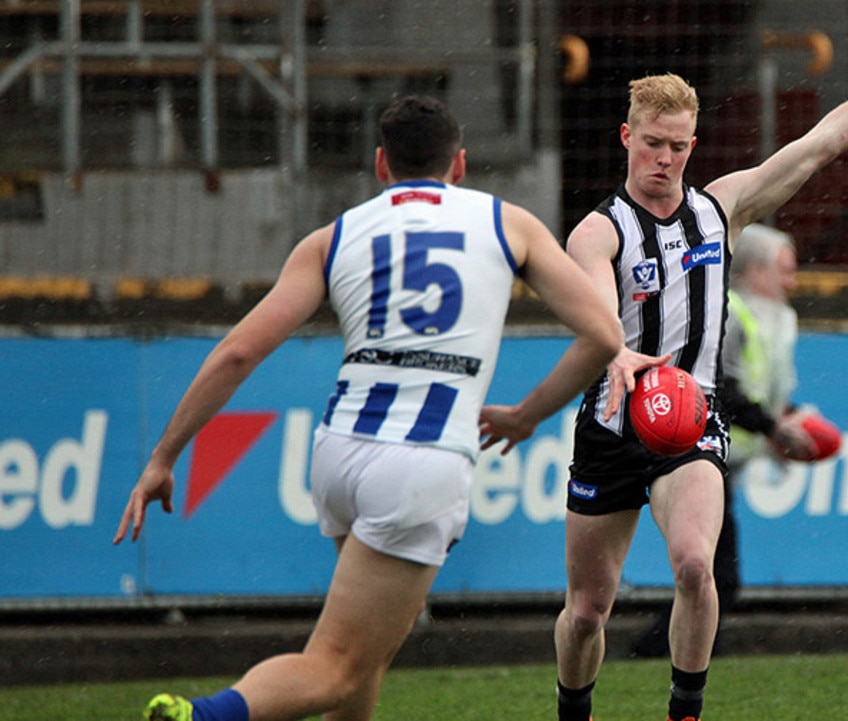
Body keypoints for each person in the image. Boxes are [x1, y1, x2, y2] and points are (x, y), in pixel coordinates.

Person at [114, 95, 621, 721]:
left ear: (382, 165)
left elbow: (238, 352)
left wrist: (165, 455)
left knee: (365, 656)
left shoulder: (335, 236)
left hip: (338, 451)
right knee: (336, 666)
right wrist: (527, 414)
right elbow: (604, 334)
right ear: (459, 164)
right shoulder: (507, 224)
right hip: (420, 461)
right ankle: (201, 716)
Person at [555, 9, 848, 721]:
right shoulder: (599, 228)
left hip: (690, 418)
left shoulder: (721, 210)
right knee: (589, 609)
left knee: (695, 563)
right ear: (628, 136)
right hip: (613, 420)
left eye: (680, 146)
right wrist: (618, 348)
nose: (665, 158)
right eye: (653, 142)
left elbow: (823, 143)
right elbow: (593, 295)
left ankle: (685, 710)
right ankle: (573, 707)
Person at [628, 223, 815, 659]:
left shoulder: (776, 318)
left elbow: (760, 390)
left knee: (712, 574)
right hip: (699, 453)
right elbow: (720, 390)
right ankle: (665, 653)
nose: (793, 282)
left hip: (720, 456)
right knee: (716, 576)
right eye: (784, 271)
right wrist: (772, 426)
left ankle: (673, 651)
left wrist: (785, 419)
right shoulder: (729, 314)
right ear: (753, 271)